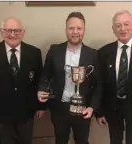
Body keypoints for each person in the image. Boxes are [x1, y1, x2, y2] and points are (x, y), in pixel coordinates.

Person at [37, 12, 102, 144]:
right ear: (66, 29)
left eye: (79, 28)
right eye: (71, 28)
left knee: (82, 141)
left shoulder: (93, 54)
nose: (75, 32)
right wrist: (40, 90)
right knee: (60, 140)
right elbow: (45, 75)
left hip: (83, 109)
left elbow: (99, 84)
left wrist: (92, 107)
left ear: (84, 30)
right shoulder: (54, 51)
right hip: (59, 108)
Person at [0, 17, 46, 144]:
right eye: (8, 31)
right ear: (2, 32)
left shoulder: (34, 52)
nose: (12, 34)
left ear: (23, 32)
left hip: (26, 112)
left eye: (16, 31)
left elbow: (40, 82)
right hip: (1, 113)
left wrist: (41, 106)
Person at [95, 10, 132, 144]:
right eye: (118, 25)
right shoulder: (104, 52)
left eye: (126, 24)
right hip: (113, 110)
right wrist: (99, 112)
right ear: (113, 29)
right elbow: (100, 85)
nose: (123, 29)